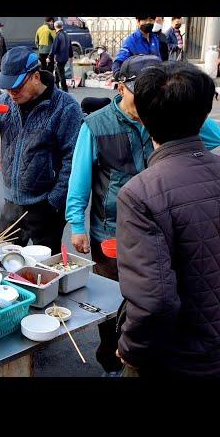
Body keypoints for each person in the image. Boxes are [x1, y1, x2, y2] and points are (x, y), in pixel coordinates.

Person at [65, 54, 220, 376]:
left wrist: (134, 350)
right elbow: (78, 180)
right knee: (112, 307)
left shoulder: (144, 187)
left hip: (175, 351)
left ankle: (125, 358)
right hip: (111, 234)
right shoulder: (96, 125)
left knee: (161, 296)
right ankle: (111, 361)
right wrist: (77, 224)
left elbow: (154, 302)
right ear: (120, 87)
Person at [115, 62, 220, 377]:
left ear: (143, 119)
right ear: (204, 114)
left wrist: (131, 349)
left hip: (182, 358)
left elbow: (155, 302)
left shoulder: (141, 194)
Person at [0, 46, 82, 253]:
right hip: (11, 201)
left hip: (45, 204)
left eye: (17, 87)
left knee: (45, 268)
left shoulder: (65, 107)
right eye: (7, 87)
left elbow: (73, 160)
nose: (11, 93)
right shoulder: (7, 101)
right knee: (1, 260)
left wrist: (54, 202)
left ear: (35, 77)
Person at [48, 20, 71, 92]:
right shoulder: (67, 35)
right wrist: (71, 55)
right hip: (65, 57)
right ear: (62, 26)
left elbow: (54, 47)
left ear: (55, 27)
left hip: (59, 57)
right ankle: (57, 87)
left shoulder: (58, 35)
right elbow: (70, 46)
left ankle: (65, 89)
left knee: (61, 73)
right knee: (58, 71)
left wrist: (49, 57)